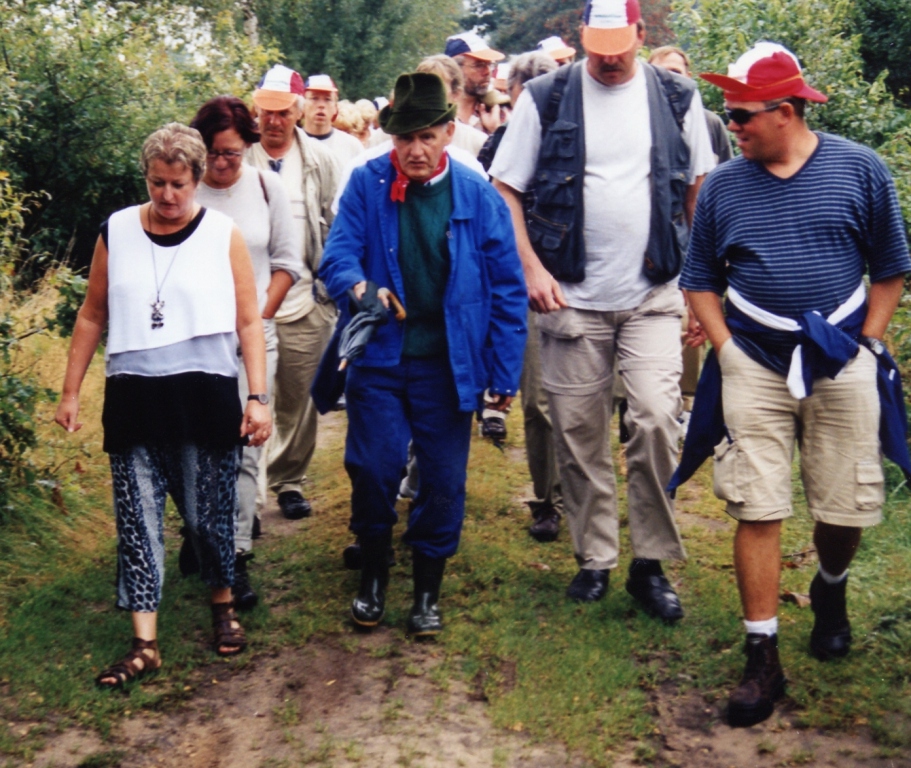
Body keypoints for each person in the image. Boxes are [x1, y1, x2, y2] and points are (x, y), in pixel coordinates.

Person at [676, 42, 911, 727]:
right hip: (753, 360)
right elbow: (700, 279)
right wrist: (727, 352)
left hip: (839, 359)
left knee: (843, 506)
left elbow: (890, 267)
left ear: (785, 111)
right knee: (757, 503)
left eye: (741, 114)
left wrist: (868, 343)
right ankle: (762, 657)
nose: (732, 125)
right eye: (728, 113)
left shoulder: (858, 169)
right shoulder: (723, 185)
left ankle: (830, 587)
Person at [490, 0, 714, 616]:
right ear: (581, 36)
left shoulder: (678, 97)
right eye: (598, 47)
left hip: (654, 293)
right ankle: (595, 557)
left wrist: (702, 289)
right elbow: (506, 188)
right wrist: (532, 269)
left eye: (620, 47)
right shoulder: (546, 97)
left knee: (656, 420)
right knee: (579, 432)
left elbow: (698, 192)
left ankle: (650, 563)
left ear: (641, 34)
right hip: (570, 297)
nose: (609, 60)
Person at [55, 123, 271, 687]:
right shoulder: (117, 231)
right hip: (134, 396)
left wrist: (257, 396)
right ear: (146, 179)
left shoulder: (222, 234)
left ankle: (222, 604)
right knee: (137, 519)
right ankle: (144, 644)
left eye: (178, 184)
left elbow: (249, 320)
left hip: (204, 394)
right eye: (157, 183)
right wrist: (71, 391)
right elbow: (92, 313)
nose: (167, 195)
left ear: (197, 179)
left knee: (207, 517)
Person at [319, 72, 527, 636]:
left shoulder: (477, 195)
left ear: (447, 133)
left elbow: (508, 289)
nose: (415, 150)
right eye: (404, 138)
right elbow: (337, 256)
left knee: (442, 479)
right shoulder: (366, 184)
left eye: (426, 137)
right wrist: (361, 288)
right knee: (374, 467)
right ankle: (374, 572)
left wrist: (503, 373)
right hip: (379, 359)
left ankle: (427, 589)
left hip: (448, 366)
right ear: (391, 137)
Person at [190, 96, 301, 611]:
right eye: (212, 153)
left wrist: (254, 321)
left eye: (231, 153)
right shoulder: (184, 189)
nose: (220, 163)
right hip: (193, 341)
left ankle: (235, 555)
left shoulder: (265, 188)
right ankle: (199, 533)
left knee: (245, 447)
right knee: (195, 448)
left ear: (247, 147)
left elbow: (287, 264)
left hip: (253, 339)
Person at [246, 64, 340, 521]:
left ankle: (288, 480)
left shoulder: (320, 161)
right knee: (249, 398)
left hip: (305, 302)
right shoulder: (239, 158)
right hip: (247, 308)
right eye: (266, 110)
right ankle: (246, 496)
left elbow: (335, 226)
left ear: (298, 112)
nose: (274, 120)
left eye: (283, 111)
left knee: (299, 402)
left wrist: (330, 293)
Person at [478, 50, 565, 542]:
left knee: (590, 400)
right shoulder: (499, 149)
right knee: (538, 401)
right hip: (523, 286)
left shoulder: (580, 144)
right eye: (520, 98)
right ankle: (547, 498)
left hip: (583, 283)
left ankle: (576, 490)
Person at [648, 46, 733, 164]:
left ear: (688, 77)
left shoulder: (710, 123)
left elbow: (728, 170)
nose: (667, 78)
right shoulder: (640, 121)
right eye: (659, 72)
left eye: (675, 72)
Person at [444, 32, 505, 131]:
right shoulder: (437, 111)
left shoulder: (497, 112)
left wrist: (496, 131)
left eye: (489, 64)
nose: (487, 72)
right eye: (479, 65)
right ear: (455, 69)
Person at [301, 74, 365, 167]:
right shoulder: (291, 143)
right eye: (314, 98)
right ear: (302, 105)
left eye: (327, 99)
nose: (321, 105)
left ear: (335, 107)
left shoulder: (352, 146)